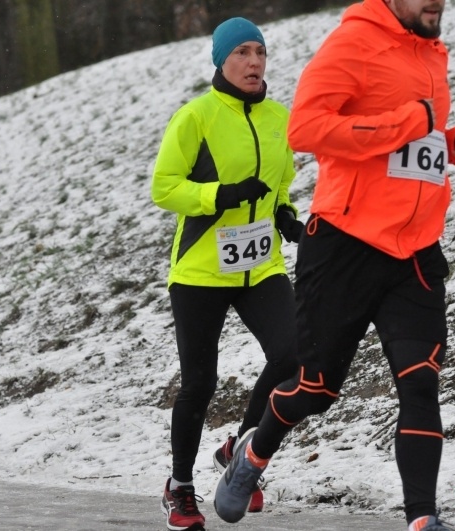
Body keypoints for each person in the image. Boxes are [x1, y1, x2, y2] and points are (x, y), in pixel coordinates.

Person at [214, 1, 455, 531]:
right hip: (345, 245)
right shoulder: (354, 42)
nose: (436, 2)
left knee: (421, 384)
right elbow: (307, 129)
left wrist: (447, 144)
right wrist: (410, 123)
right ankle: (254, 452)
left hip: (416, 252)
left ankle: (422, 518)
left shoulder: (432, 52)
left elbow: (409, 145)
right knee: (316, 390)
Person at [151, 16, 304, 531]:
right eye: (241, 52)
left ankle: (240, 452)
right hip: (200, 269)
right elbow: (164, 188)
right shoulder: (195, 117)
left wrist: (284, 215)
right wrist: (219, 195)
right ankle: (180, 486)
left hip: (259, 264)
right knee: (199, 381)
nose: (255, 62)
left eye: (260, 52)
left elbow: (280, 181)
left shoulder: (280, 117)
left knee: (294, 355)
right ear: (220, 60)